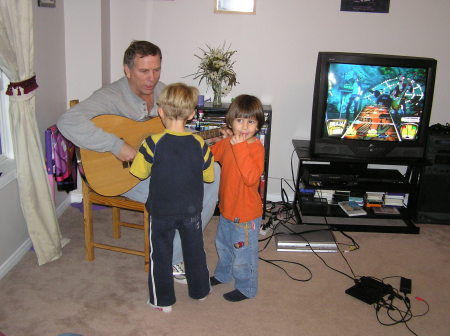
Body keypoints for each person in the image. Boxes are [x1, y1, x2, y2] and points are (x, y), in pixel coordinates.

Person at [57, 40, 220, 283]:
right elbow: (66, 122)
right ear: (127, 70)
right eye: (144, 71)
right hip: (125, 176)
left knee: (214, 171)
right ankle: (175, 258)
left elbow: (176, 135)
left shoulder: (164, 92)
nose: (152, 78)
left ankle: (175, 252)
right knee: (183, 193)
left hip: (160, 169)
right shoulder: (110, 97)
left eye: (156, 70)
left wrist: (200, 143)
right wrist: (116, 145)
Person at [130, 82, 213, 312]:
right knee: (195, 251)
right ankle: (200, 291)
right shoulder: (200, 143)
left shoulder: (151, 143)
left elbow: (137, 172)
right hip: (191, 211)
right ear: (192, 114)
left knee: (160, 255)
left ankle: (161, 301)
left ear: (161, 112)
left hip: (161, 212)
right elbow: (209, 176)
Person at [208, 94, 265, 302]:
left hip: (246, 216)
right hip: (226, 209)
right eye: (239, 120)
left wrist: (239, 147)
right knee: (223, 246)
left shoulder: (256, 148)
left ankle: (247, 287)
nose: (244, 126)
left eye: (250, 121)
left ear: (258, 126)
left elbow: (251, 179)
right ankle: (224, 274)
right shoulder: (228, 143)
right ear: (230, 122)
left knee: (243, 256)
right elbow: (211, 155)